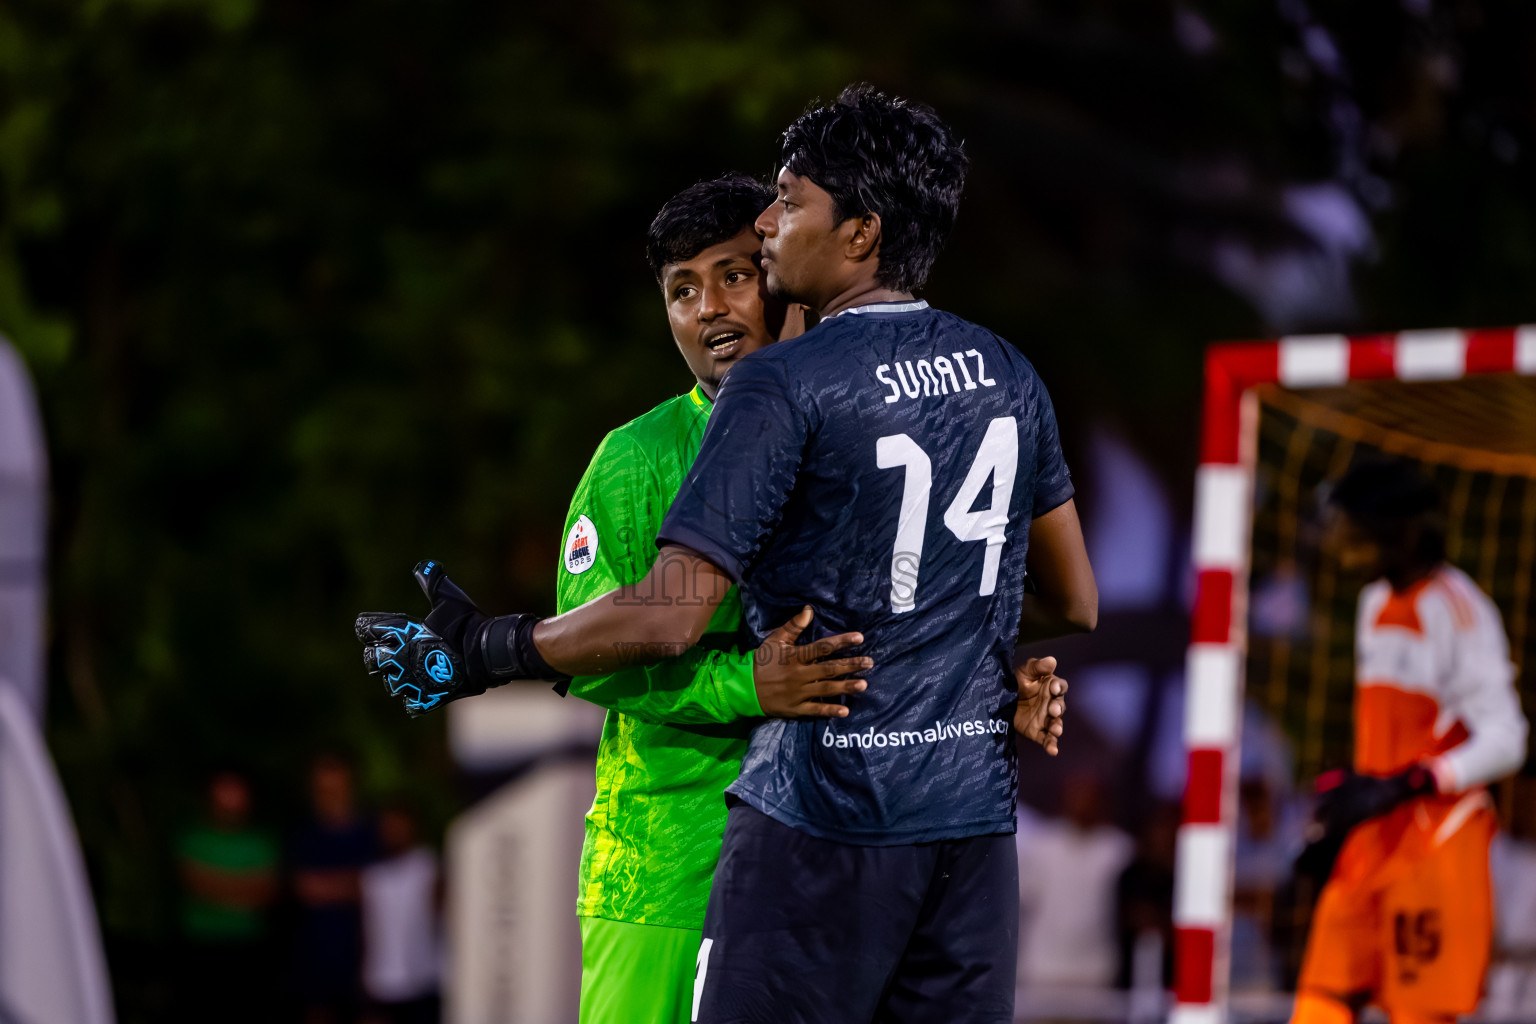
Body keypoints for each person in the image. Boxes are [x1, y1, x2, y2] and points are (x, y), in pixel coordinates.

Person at [358, 84, 1092, 1023]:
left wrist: (974, 661)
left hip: (819, 839)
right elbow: (606, 669)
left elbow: (722, 608)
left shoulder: (804, 398)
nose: (710, 308)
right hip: (670, 858)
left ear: (791, 264)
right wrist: (756, 682)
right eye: (680, 290)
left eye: (738, 270)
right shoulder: (635, 459)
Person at [1289, 459, 1529, 1024]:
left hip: (1437, 847)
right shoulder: (1373, 605)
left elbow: (1508, 739)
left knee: (1418, 1014)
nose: (1340, 539)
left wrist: (1411, 782)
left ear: (1396, 528)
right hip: (1371, 840)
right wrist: (1345, 797)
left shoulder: (1462, 610)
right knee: (1318, 1001)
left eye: (1352, 527)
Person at [174, 770, 279, 1023]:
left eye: (236, 791)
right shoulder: (192, 837)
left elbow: (266, 893)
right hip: (201, 945)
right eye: (223, 791)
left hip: (247, 947)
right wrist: (243, 888)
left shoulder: (261, 841)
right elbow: (195, 883)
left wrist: (216, 886)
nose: (229, 799)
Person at [1016, 773, 1133, 991]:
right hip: (1043, 969)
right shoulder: (1042, 845)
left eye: (1089, 797)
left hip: (1096, 971)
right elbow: (1021, 901)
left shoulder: (1119, 849)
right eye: (1076, 796)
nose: (1082, 804)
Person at [290, 752, 378, 1024]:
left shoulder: (373, 831)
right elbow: (305, 889)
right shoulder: (303, 833)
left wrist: (331, 885)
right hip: (315, 954)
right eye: (322, 789)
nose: (329, 796)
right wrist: (354, 883)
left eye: (337, 788)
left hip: (371, 953)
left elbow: (378, 889)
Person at [360, 800, 441, 1024]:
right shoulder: (372, 874)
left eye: (399, 825)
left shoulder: (428, 866)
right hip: (379, 981)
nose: (393, 832)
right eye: (388, 826)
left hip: (422, 979)